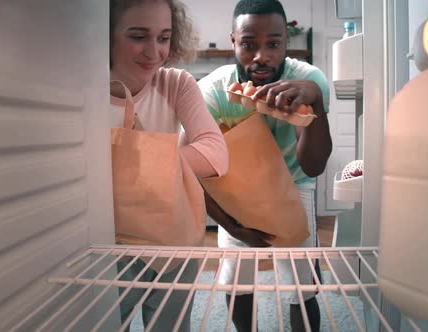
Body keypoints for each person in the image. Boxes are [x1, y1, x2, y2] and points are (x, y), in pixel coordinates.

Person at [198, 0, 332, 331]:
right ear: (233, 42)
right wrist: (232, 226)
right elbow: (196, 171)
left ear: (286, 42)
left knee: (302, 286)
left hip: (295, 182)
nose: (261, 56)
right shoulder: (213, 92)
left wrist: (313, 98)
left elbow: (313, 166)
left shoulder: (309, 81)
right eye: (248, 44)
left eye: (273, 44)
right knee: (236, 280)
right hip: (237, 189)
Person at [109, 0, 228, 331]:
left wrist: (129, 161)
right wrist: (160, 161)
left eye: (164, 37)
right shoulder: (84, 90)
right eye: (138, 36)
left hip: (174, 241)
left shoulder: (176, 83)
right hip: (110, 245)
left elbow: (216, 154)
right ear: (105, 35)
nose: (154, 52)